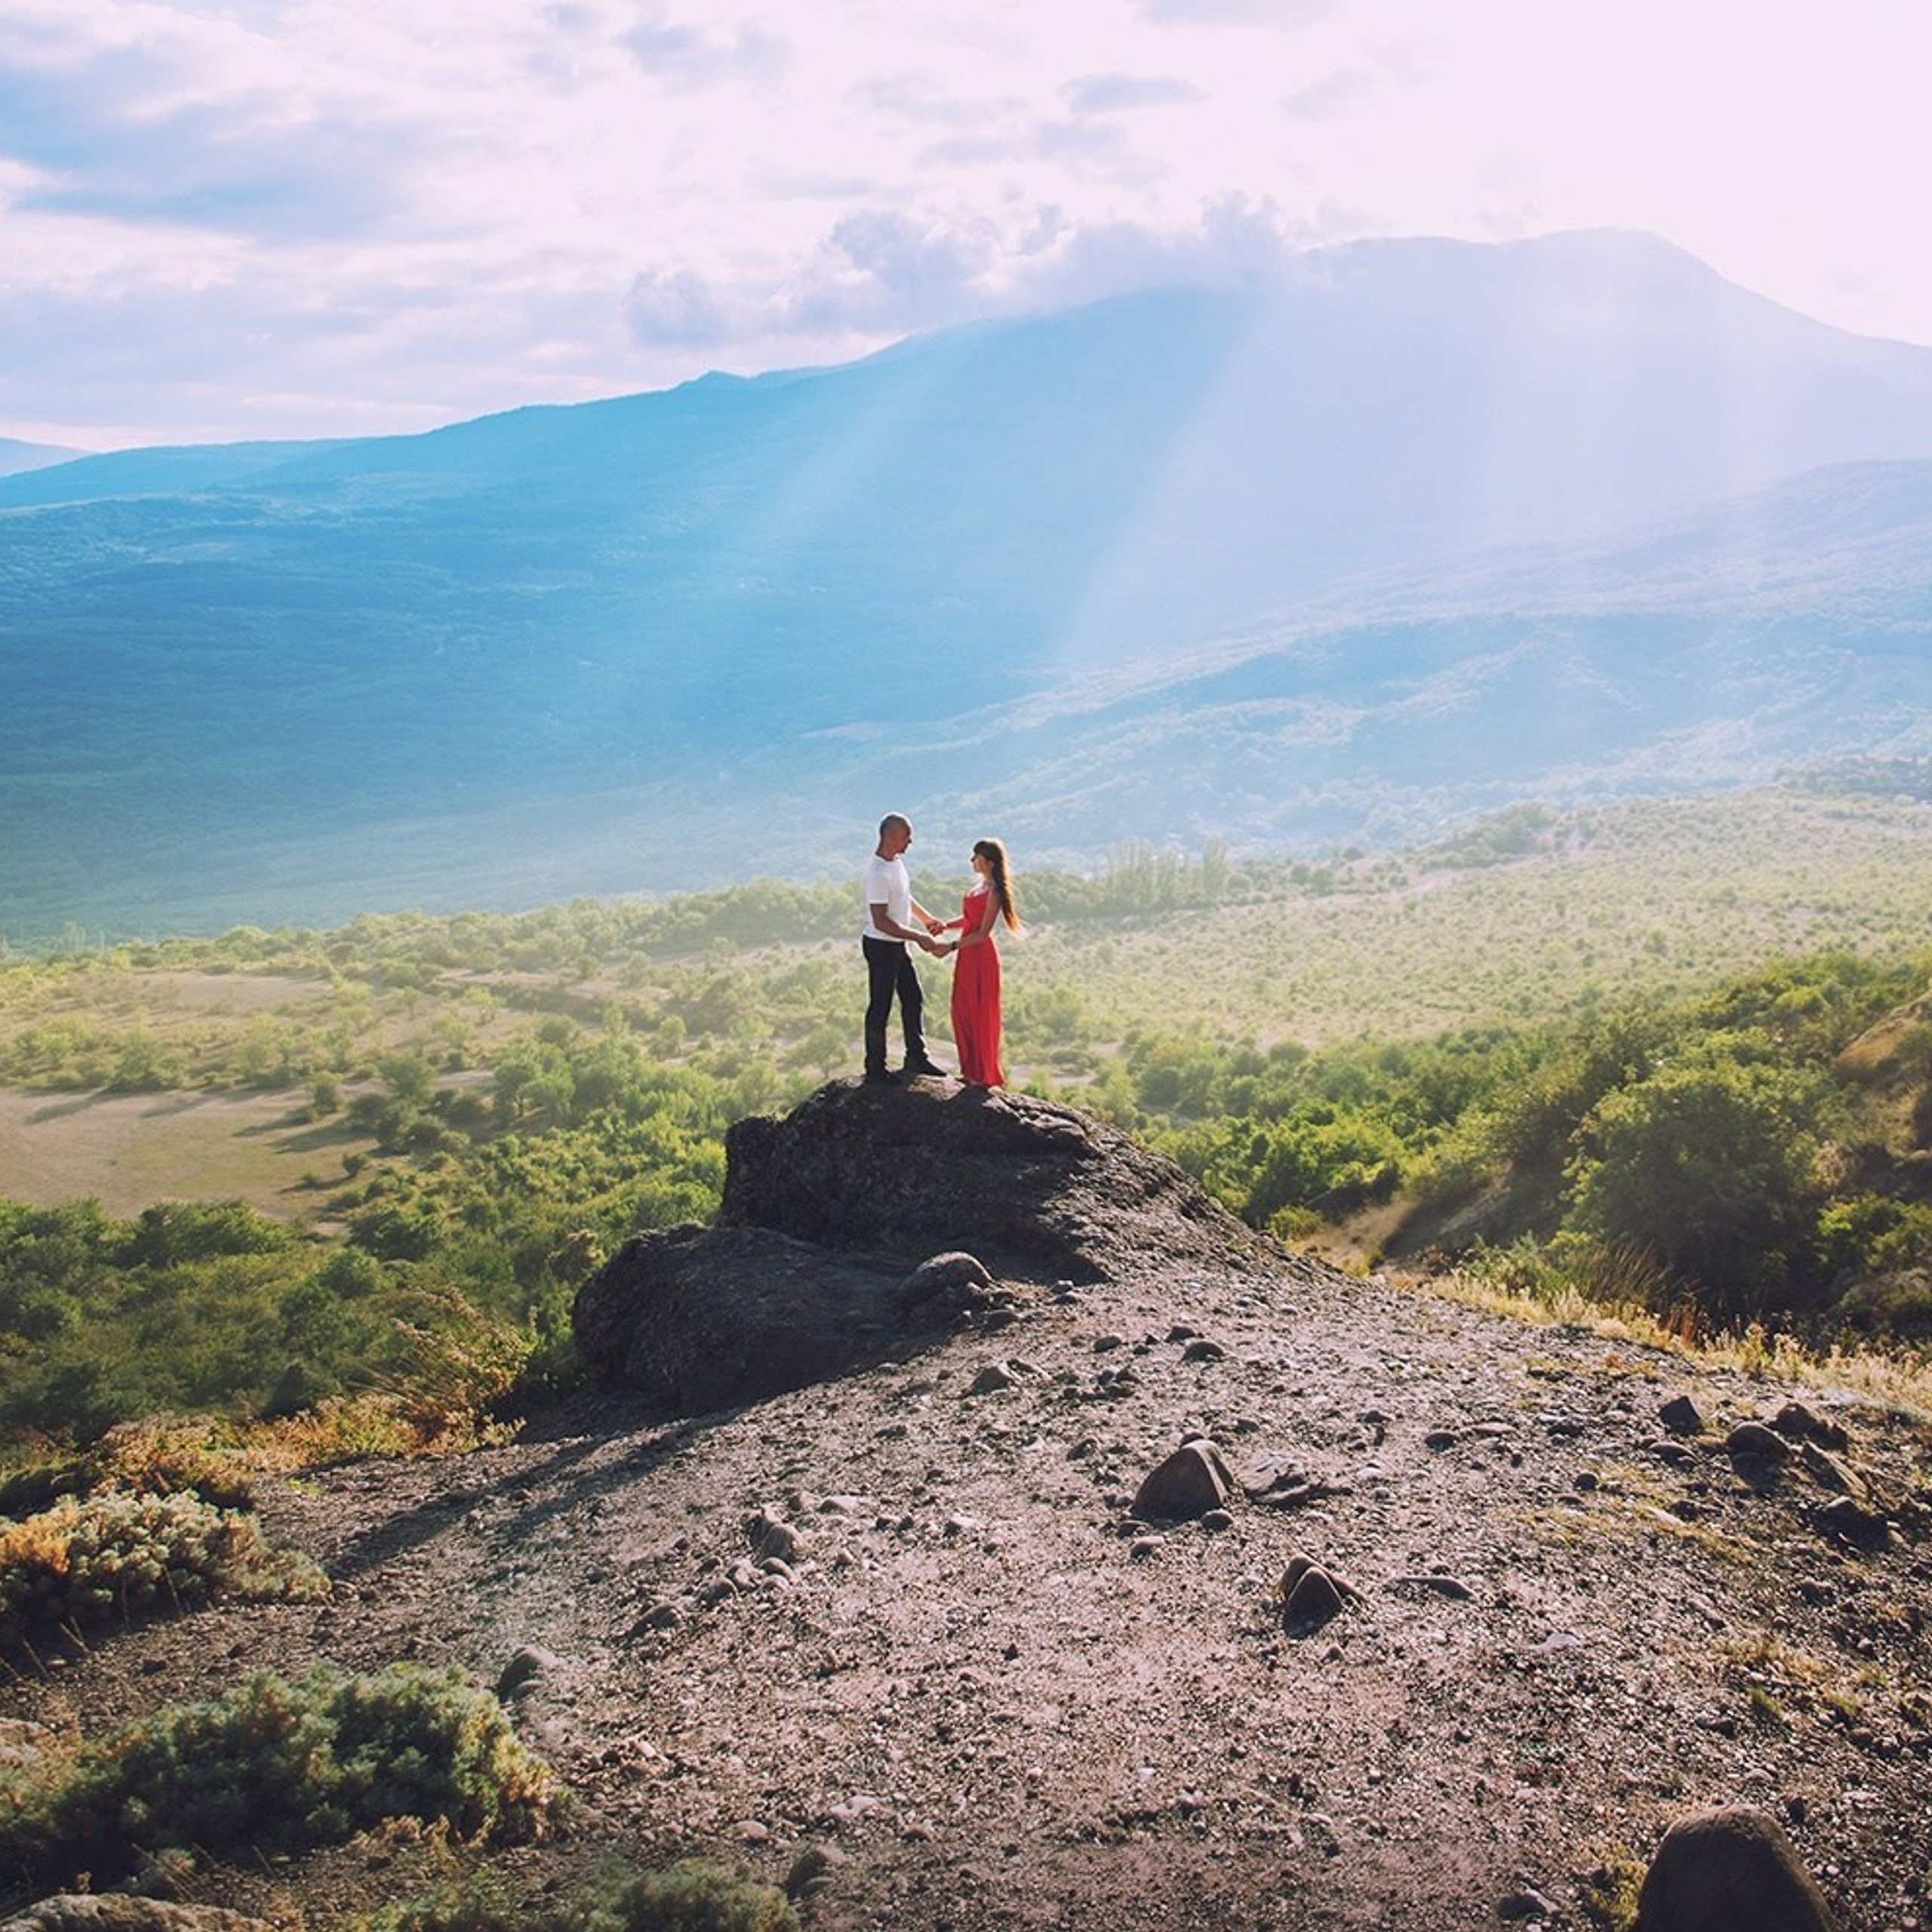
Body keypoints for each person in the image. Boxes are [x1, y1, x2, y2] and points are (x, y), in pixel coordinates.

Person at [861, 813, 949, 1084]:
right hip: (880, 945)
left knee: (913, 998)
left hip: (897, 944)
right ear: (890, 837)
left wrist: (926, 919)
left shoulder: (895, 863)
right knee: (881, 1005)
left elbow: (903, 896)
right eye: (906, 836)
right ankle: (875, 1068)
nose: (910, 841)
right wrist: (919, 938)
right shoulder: (876, 872)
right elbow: (881, 921)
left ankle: (916, 1057)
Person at [940, 837, 1021, 1088]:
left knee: (980, 1013)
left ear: (989, 862)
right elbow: (969, 920)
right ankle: (970, 1069)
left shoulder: (994, 891)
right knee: (961, 1009)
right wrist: (945, 926)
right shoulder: (979, 887)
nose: (971, 861)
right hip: (967, 953)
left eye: (976, 857)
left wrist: (951, 946)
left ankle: (983, 1074)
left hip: (980, 956)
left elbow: (982, 933)